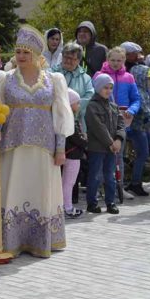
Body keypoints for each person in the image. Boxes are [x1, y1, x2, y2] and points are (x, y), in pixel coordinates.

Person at [0, 25, 74, 258]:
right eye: (18, 51)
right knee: (11, 191)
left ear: (38, 55)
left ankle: (39, 241)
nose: (20, 56)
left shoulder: (54, 80)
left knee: (40, 192)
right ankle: (8, 240)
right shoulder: (4, 78)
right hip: (12, 149)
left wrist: (60, 149)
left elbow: (61, 117)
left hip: (43, 150)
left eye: (26, 52)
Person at [121, 42, 150, 197]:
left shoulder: (146, 90)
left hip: (143, 126)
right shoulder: (138, 90)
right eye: (147, 77)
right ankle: (135, 183)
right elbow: (145, 110)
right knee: (143, 154)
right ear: (140, 77)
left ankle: (135, 169)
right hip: (135, 127)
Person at [95, 47, 141, 195]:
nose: (115, 63)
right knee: (101, 156)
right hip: (102, 123)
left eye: (119, 60)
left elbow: (136, 99)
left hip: (121, 123)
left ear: (124, 60)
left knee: (118, 156)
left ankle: (118, 188)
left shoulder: (129, 77)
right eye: (113, 60)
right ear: (107, 60)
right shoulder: (99, 75)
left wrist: (131, 110)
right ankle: (101, 188)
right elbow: (93, 97)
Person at [85, 74, 125, 214]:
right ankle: (92, 203)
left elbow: (121, 124)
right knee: (95, 175)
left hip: (112, 147)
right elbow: (97, 127)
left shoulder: (114, 106)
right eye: (105, 88)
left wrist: (119, 139)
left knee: (110, 175)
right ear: (97, 88)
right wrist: (110, 142)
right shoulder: (92, 106)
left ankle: (110, 202)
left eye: (110, 88)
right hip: (97, 147)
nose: (108, 90)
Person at [63, 89, 87, 218]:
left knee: (65, 182)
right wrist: (85, 141)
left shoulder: (64, 117)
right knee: (69, 183)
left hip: (67, 154)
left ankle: (63, 206)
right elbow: (77, 138)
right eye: (77, 103)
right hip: (73, 155)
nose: (78, 105)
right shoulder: (70, 119)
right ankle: (67, 207)